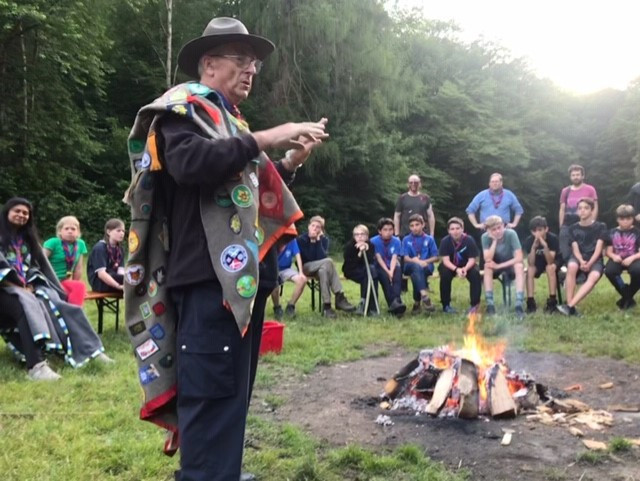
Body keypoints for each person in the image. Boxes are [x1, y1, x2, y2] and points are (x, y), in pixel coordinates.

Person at [123, 17, 330, 481]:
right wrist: (265, 137)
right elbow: (192, 165)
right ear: (209, 64)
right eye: (241, 59)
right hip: (206, 283)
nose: (251, 69)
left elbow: (239, 193)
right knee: (210, 392)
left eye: (254, 62)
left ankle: (223, 473)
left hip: (241, 283)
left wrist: (287, 163)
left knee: (232, 392)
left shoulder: (226, 122)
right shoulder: (180, 112)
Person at [0, 197, 112, 381]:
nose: (21, 215)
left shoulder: (28, 240)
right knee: (25, 304)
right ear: (7, 213)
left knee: (58, 301)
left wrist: (30, 283)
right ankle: (36, 366)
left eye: (25, 213)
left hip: (26, 287)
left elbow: (36, 266)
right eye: (17, 211)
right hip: (4, 289)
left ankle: (91, 350)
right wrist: (16, 285)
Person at [297, 216, 355, 318]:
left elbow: (321, 257)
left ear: (321, 230)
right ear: (308, 227)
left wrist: (318, 241)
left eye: (318, 227)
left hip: (319, 268)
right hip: (305, 267)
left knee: (323, 271)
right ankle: (339, 296)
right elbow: (308, 257)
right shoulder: (301, 239)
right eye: (313, 226)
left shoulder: (324, 240)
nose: (315, 228)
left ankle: (327, 307)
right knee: (328, 261)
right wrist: (312, 241)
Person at [557, 198, 607, 316]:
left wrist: (589, 263)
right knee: (572, 266)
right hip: (578, 257)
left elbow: (599, 249)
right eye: (580, 208)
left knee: (594, 276)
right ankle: (570, 306)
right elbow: (575, 248)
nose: (582, 211)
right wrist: (580, 260)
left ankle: (569, 306)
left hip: (594, 258)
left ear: (592, 210)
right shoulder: (572, 228)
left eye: (586, 208)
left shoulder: (601, 226)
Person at [481, 215, 525, 319]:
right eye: (494, 229)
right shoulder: (485, 237)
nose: (497, 231)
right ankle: (490, 305)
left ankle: (519, 304)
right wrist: (494, 241)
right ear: (488, 230)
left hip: (510, 263)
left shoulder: (511, 234)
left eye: (499, 228)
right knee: (487, 267)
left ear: (503, 226)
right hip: (495, 263)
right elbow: (487, 258)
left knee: (519, 266)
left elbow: (519, 257)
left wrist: (499, 266)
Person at [438, 217, 481, 314]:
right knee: (444, 273)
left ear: (462, 229)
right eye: (452, 229)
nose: (455, 231)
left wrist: (465, 269)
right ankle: (446, 305)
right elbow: (445, 260)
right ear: (448, 231)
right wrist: (456, 269)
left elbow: (472, 259)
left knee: (475, 273)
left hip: (467, 265)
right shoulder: (445, 241)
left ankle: (475, 305)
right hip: (451, 265)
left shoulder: (469, 240)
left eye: (458, 228)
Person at [43, 215, 88, 306]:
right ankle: (73, 314)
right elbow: (39, 260)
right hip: (49, 281)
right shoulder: (53, 242)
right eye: (66, 228)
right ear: (60, 231)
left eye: (73, 229)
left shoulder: (80, 244)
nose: (70, 231)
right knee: (79, 288)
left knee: (79, 286)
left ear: (78, 232)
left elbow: (78, 268)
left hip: (64, 281)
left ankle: (73, 313)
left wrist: (74, 285)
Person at [558, 164, 598, 263]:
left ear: (582, 176)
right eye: (573, 175)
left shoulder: (590, 189)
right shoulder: (565, 191)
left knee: (583, 246)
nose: (576, 177)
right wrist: (561, 225)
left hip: (583, 221)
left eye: (578, 174)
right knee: (565, 247)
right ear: (570, 177)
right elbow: (562, 209)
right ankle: (567, 266)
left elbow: (595, 207)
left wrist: (592, 221)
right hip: (568, 222)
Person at [604, 204, 640, 310]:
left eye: (628, 219)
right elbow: (608, 251)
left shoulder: (637, 232)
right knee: (610, 271)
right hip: (617, 258)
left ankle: (626, 299)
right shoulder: (612, 232)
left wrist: (632, 258)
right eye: (622, 219)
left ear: (633, 219)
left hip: (633, 258)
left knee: (638, 271)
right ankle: (627, 295)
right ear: (617, 219)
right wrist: (613, 256)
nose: (625, 222)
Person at [401, 214, 438, 313]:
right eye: (412, 226)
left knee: (416, 273)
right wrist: (417, 261)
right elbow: (405, 258)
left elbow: (435, 257)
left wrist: (424, 262)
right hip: (410, 265)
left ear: (423, 225)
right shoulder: (406, 239)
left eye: (417, 225)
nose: (414, 228)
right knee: (416, 268)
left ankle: (417, 303)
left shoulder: (430, 239)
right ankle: (424, 296)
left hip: (427, 266)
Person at [523, 216, 560, 313]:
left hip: (553, 260)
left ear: (546, 229)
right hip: (537, 261)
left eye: (540, 230)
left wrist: (545, 246)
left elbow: (550, 261)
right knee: (530, 270)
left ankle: (552, 301)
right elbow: (531, 263)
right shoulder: (529, 240)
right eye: (534, 231)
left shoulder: (553, 238)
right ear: (531, 232)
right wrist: (533, 248)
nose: (537, 233)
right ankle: (530, 302)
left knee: (550, 268)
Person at [370, 217, 406, 315]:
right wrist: (388, 272)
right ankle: (394, 304)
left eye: (390, 229)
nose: (388, 232)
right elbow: (378, 258)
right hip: (380, 265)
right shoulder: (373, 241)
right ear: (379, 231)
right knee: (385, 278)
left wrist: (392, 271)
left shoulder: (396, 241)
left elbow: (395, 257)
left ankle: (396, 302)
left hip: (393, 264)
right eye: (385, 230)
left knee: (397, 276)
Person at [342, 224, 378, 316]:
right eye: (357, 235)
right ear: (354, 236)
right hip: (351, 271)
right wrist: (360, 253)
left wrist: (366, 249)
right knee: (371, 275)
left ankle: (363, 303)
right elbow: (350, 264)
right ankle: (371, 307)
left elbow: (370, 261)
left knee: (370, 272)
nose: (360, 237)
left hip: (366, 270)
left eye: (362, 234)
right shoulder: (349, 246)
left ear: (367, 236)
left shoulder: (371, 245)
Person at [270, 238, 307, 319]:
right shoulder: (274, 237)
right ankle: (277, 307)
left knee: (302, 279)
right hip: (273, 268)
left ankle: (291, 306)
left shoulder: (292, 240)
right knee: (274, 284)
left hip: (286, 269)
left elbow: (298, 255)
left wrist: (301, 272)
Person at [87, 218, 126, 293]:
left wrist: (125, 281)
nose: (122, 233)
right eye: (118, 230)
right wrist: (118, 286)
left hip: (114, 279)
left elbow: (120, 271)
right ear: (108, 232)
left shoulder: (120, 249)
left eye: (123, 231)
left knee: (134, 281)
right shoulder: (100, 248)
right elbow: (101, 274)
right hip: (100, 283)